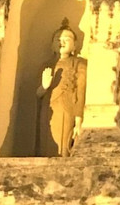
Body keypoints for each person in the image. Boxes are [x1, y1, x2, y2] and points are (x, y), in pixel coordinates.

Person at [36, 19, 87, 158]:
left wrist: (78, 120)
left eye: (67, 39)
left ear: (75, 45)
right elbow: (37, 94)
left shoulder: (79, 63)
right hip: (48, 108)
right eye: (58, 39)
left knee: (64, 142)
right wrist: (44, 86)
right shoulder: (46, 65)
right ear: (52, 45)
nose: (62, 42)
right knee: (45, 141)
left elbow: (80, 92)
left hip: (67, 108)